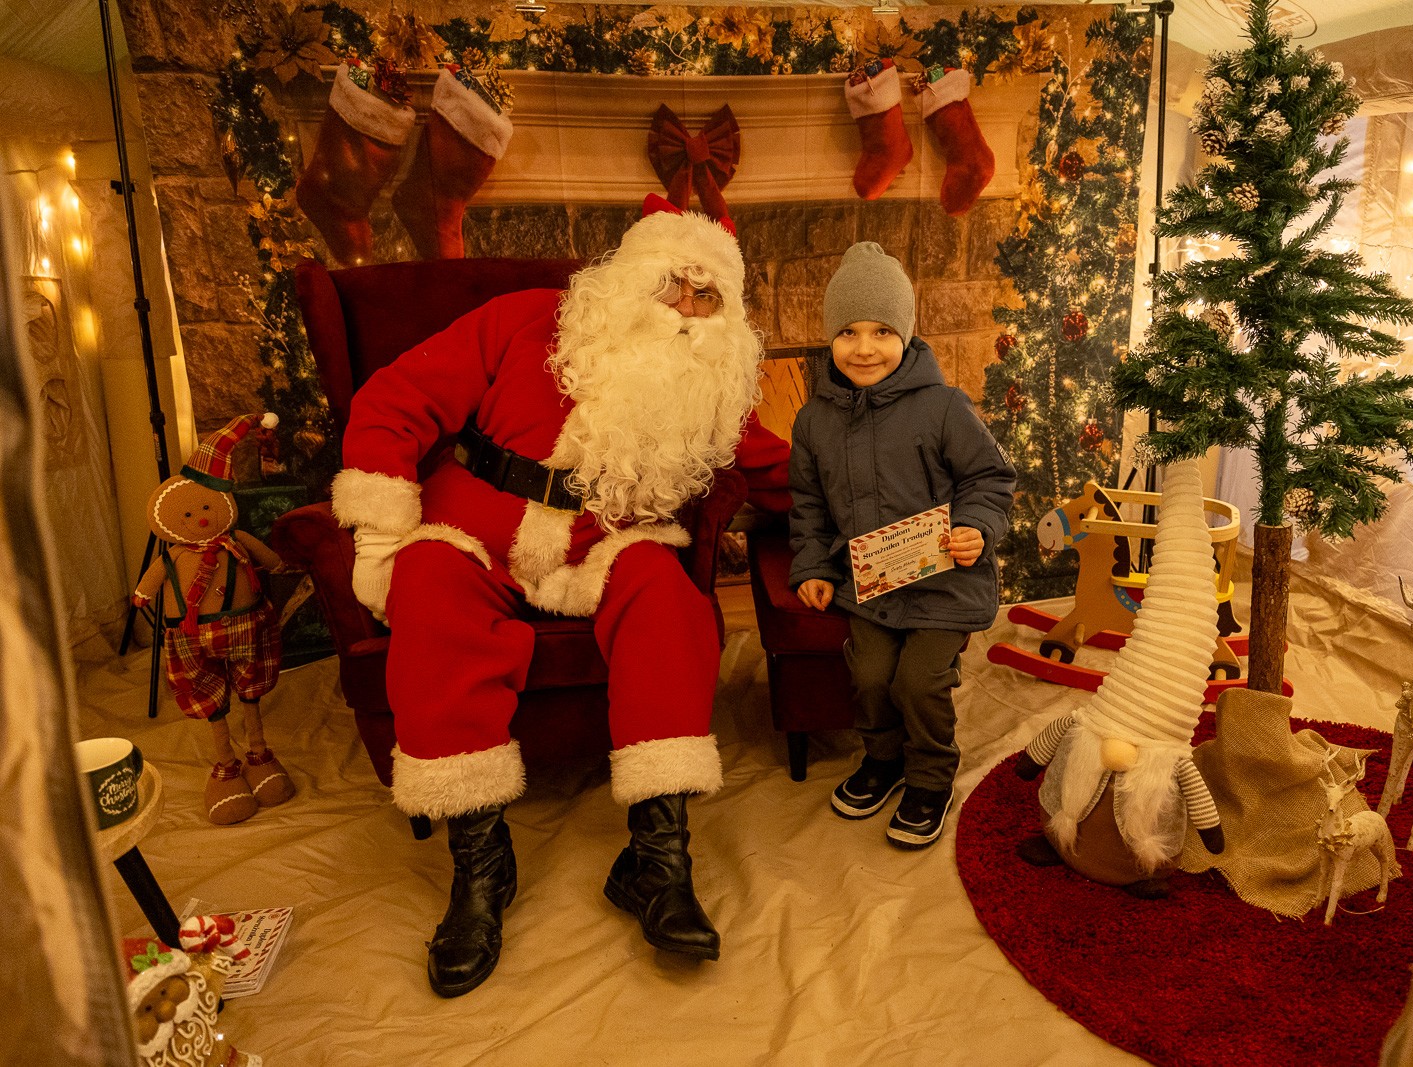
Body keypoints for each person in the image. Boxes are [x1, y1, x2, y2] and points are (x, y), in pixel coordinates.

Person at [330, 196, 790, 997]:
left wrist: (874, 521)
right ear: (632, 275)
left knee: (669, 597)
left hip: (602, 543)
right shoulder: (524, 320)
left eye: (706, 295)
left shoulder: (711, 382)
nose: (685, 307)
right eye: (673, 282)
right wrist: (379, 530)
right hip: (478, 524)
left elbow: (779, 470)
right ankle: (481, 865)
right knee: (429, 581)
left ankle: (656, 861)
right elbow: (397, 398)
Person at [788, 241, 1014, 849]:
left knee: (917, 682)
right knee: (868, 676)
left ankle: (930, 779)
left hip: (945, 583)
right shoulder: (813, 422)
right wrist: (812, 566)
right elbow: (807, 505)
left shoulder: (943, 408)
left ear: (907, 335)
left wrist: (976, 527)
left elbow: (989, 478)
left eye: (882, 331)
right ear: (830, 338)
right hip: (870, 585)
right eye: (849, 332)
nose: (864, 348)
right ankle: (883, 760)